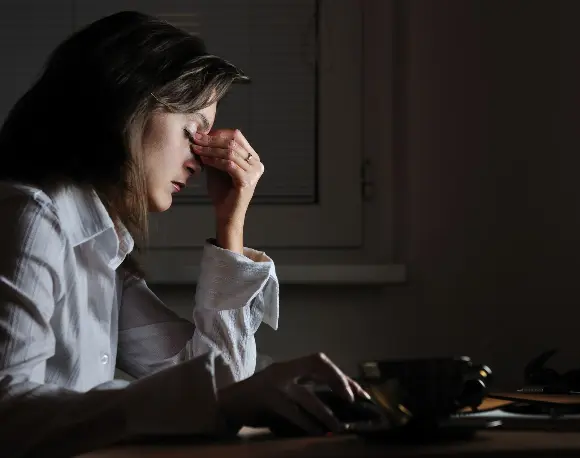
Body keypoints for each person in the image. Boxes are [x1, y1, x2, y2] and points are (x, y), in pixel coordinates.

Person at [0, 10, 368, 458]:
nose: (199, 159)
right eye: (193, 131)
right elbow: (7, 413)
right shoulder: (31, 217)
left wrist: (230, 224)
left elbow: (221, 383)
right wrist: (196, 401)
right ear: (126, 105)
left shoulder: (102, 250)